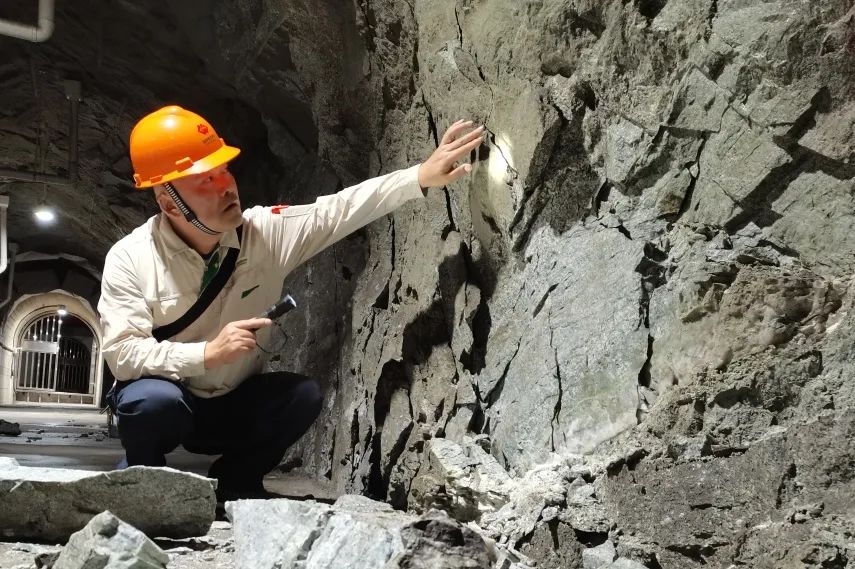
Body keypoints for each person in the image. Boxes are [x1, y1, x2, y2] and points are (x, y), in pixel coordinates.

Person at [98, 105, 485, 502]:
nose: (226, 186)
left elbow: (336, 212)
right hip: (174, 400)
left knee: (301, 397)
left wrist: (419, 176)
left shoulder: (264, 234)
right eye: (205, 180)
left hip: (230, 404)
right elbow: (122, 354)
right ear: (169, 204)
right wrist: (206, 354)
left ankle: (237, 482)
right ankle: (144, 483)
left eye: (224, 170)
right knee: (150, 403)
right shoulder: (131, 258)